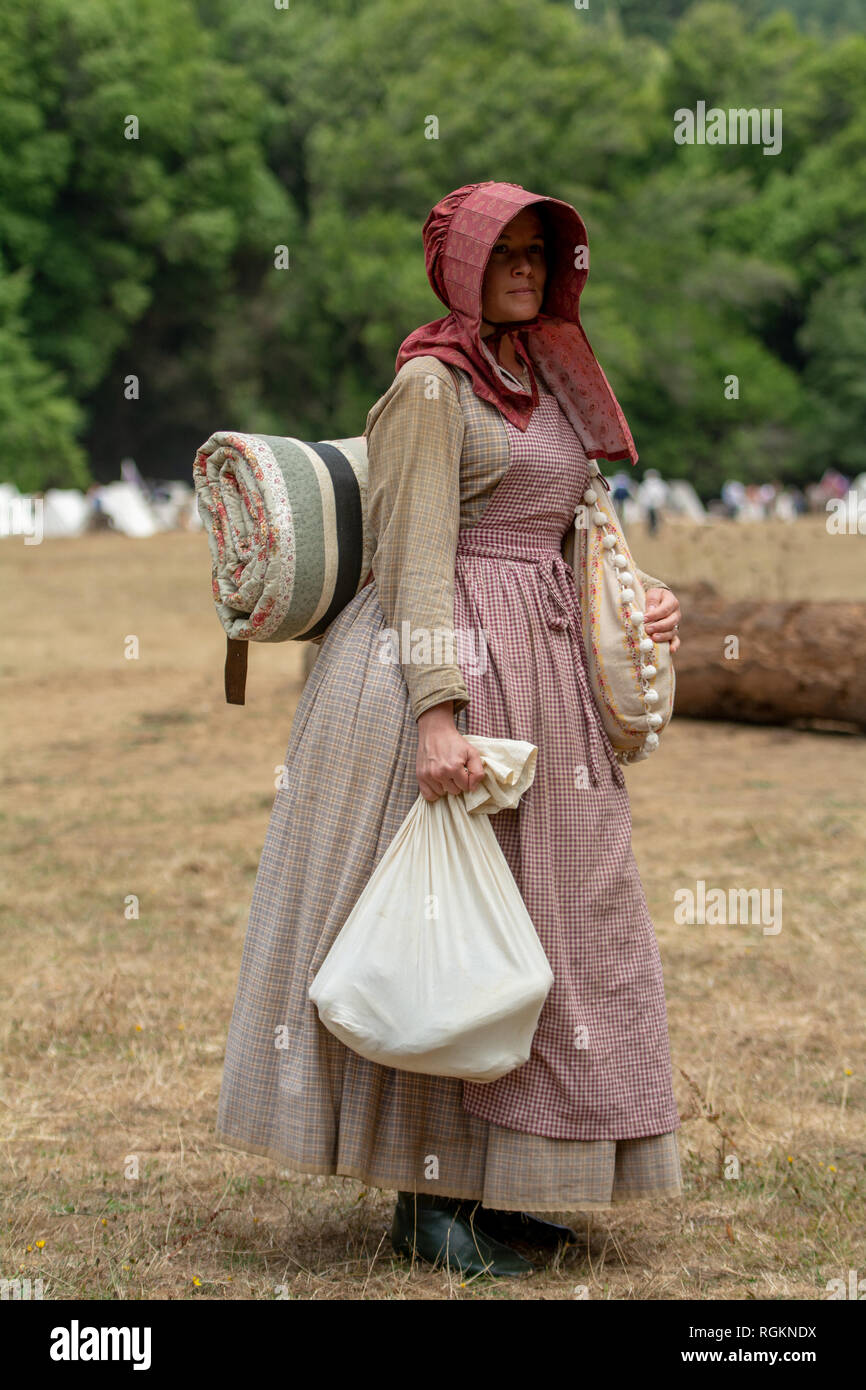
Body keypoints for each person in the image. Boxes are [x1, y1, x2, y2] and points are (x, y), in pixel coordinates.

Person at [215, 180, 684, 1280]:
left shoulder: (550, 372)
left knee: (555, 926)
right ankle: (429, 1202)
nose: (524, 267)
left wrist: (638, 593)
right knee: (444, 926)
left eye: (539, 250)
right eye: (503, 252)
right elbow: (413, 561)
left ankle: (504, 1186)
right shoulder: (428, 388)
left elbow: (571, 525)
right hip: (441, 671)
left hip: (548, 673)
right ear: (458, 263)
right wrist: (435, 714)